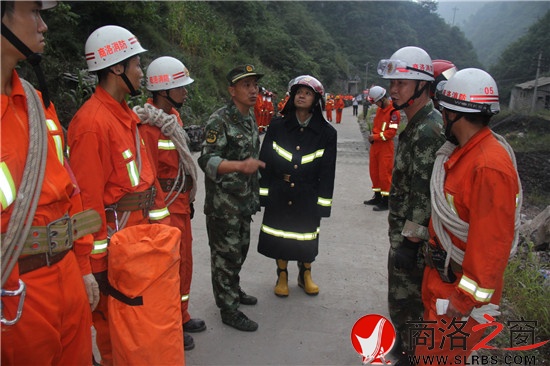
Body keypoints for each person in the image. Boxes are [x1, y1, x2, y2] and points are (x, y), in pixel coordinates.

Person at [1, 1, 101, 364]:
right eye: (33, 12)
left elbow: (69, 190)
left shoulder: (36, 103)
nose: (43, 26)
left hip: (66, 274)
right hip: (14, 290)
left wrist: (84, 269)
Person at [67, 25, 173, 365]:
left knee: (139, 325)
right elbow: (86, 201)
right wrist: (93, 265)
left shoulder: (126, 115)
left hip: (140, 240)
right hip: (115, 245)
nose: (142, 72)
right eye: (137, 64)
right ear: (116, 68)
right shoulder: (91, 123)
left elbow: (146, 180)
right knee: (115, 328)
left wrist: (162, 229)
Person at [416, 68, 521, 364]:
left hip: (459, 298)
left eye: (443, 110)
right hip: (443, 283)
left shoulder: (488, 166)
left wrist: (463, 302)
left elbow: (492, 246)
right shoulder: (463, 155)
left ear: (453, 114)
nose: (441, 116)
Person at [377, 46, 446, 365]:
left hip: (415, 242)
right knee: (401, 301)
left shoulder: (428, 130)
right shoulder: (415, 124)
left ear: (421, 86)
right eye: (391, 83)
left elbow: (424, 193)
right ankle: (404, 345)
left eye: (401, 83)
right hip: (405, 235)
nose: (393, 89)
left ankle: (412, 354)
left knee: (411, 301)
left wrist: (410, 239)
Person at [133, 56, 205, 351]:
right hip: (164, 208)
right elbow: (147, 174)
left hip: (180, 204)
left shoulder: (173, 118)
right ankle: (170, 322)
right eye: (180, 87)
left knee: (184, 263)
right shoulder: (146, 125)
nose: (186, 91)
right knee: (167, 268)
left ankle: (182, 313)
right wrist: (158, 216)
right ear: (163, 91)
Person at [198, 64, 265, 332]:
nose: (253, 90)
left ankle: (233, 290)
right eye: (246, 85)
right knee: (225, 256)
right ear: (232, 90)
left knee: (240, 251)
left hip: (243, 201)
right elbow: (207, 159)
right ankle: (228, 309)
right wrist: (239, 166)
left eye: (254, 85)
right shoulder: (219, 120)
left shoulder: (249, 118)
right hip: (223, 204)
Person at [257, 75, 337, 297]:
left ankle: (305, 274)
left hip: (308, 193)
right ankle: (282, 275)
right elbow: (265, 162)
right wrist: (262, 195)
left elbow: (328, 171)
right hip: (279, 191)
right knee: (279, 235)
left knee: (305, 237)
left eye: (308, 93)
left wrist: (323, 204)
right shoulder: (277, 126)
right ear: (292, 97)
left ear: (316, 100)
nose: (302, 95)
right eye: (299, 92)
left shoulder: (327, 133)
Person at [363, 86, 400, 211]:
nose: (376, 105)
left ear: (382, 99)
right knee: (374, 172)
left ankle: (386, 200)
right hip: (376, 146)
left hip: (385, 147)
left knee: (385, 174)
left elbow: (391, 133)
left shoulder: (394, 113)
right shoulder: (380, 110)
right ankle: (377, 196)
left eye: (376, 102)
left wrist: (376, 136)